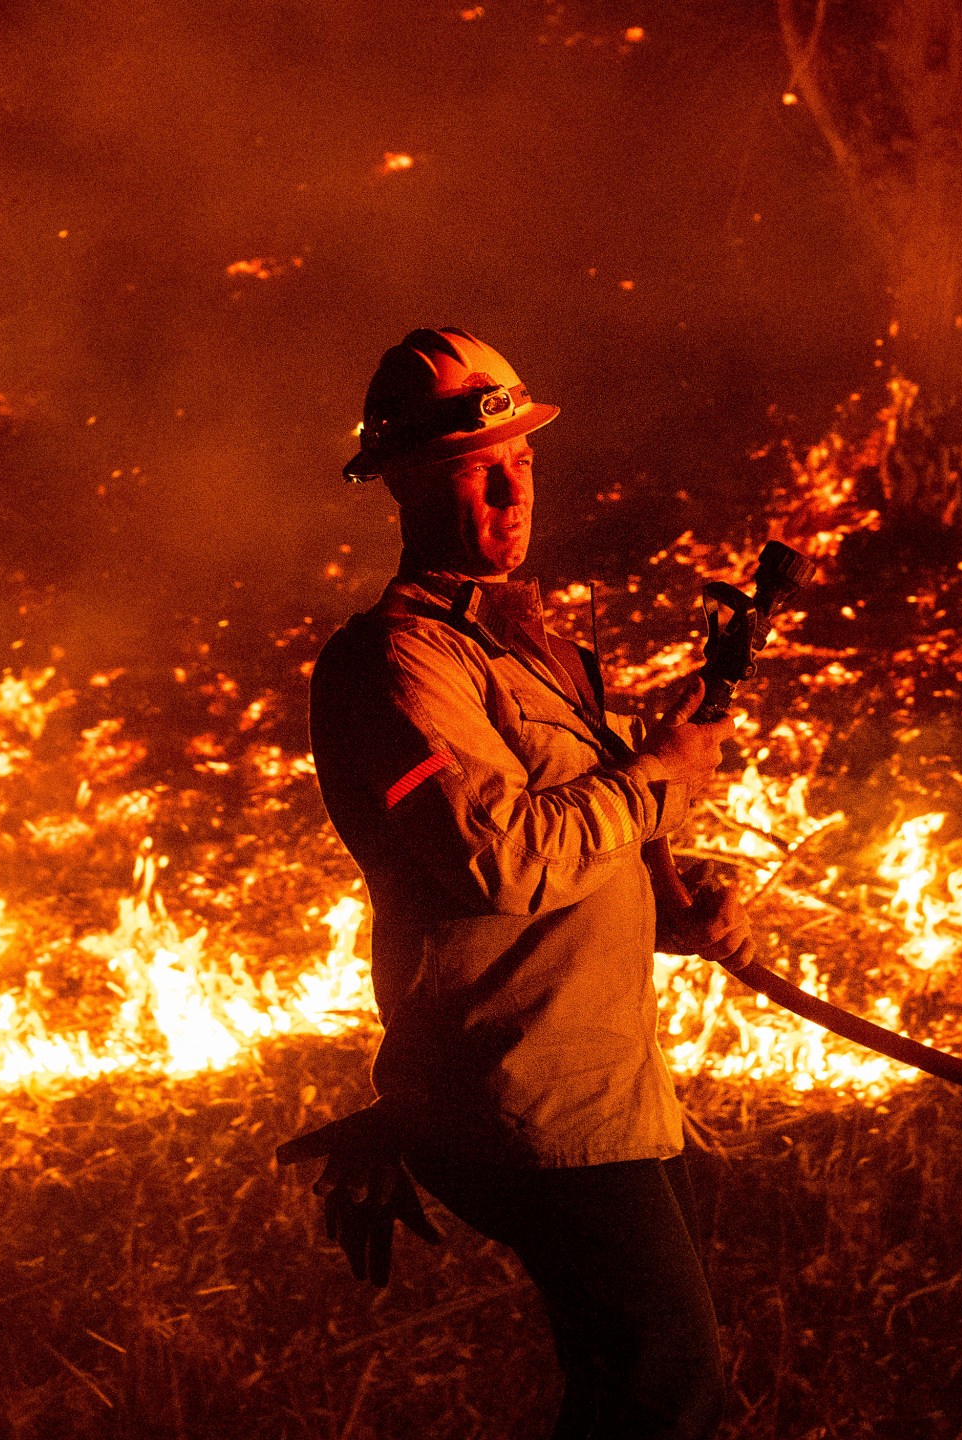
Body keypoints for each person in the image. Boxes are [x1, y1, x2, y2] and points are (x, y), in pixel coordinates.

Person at [281, 327, 747, 1440]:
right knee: (669, 1405)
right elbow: (502, 859)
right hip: (530, 1102)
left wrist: (673, 906)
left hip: (609, 1083)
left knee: (643, 1391)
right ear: (401, 483)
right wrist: (657, 779)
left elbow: (574, 846)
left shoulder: (527, 643)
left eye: (521, 462)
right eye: (469, 470)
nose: (505, 489)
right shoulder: (397, 664)